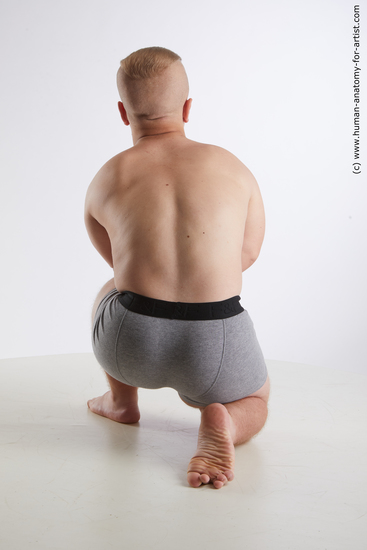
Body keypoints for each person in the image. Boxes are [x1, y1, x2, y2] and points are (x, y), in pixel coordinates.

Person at [85, 46, 270, 489]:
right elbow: (247, 255)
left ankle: (121, 401)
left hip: (130, 343)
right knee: (257, 399)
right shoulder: (232, 168)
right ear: (188, 108)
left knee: (111, 287)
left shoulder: (107, 177)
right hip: (215, 338)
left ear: (123, 113)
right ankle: (224, 421)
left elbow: (119, 262)